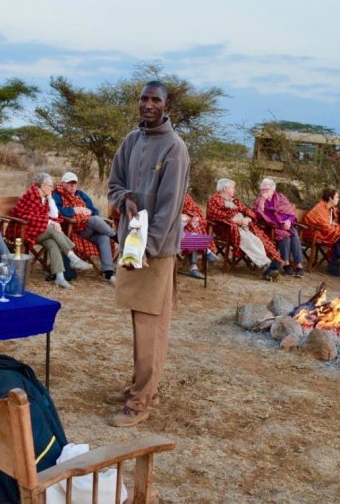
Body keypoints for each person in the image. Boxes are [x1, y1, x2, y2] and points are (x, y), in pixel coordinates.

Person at [106, 81, 190, 427]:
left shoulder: (175, 148)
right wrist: (124, 197)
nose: (148, 104)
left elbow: (169, 208)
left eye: (156, 99)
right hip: (130, 248)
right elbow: (113, 186)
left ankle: (140, 402)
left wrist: (148, 248)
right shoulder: (131, 141)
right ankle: (138, 387)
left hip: (154, 253)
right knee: (137, 321)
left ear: (166, 105)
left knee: (151, 326)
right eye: (144, 98)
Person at [8, 173, 93, 289]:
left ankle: (60, 278)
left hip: (39, 230)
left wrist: (49, 198)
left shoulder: (45, 197)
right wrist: (50, 222)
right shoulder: (31, 195)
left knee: (53, 244)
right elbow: (27, 216)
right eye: (50, 186)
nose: (52, 188)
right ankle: (73, 257)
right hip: (25, 231)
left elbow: (54, 214)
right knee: (53, 228)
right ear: (43, 186)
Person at [207, 178, 282, 280]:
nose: (234, 190)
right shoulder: (214, 200)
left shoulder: (234, 200)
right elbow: (215, 215)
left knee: (257, 240)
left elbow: (247, 210)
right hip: (227, 228)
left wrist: (247, 219)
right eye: (232, 188)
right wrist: (237, 220)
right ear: (225, 188)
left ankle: (268, 267)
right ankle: (268, 265)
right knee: (247, 241)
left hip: (243, 226)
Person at [52, 172, 118, 285]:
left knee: (104, 237)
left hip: (87, 229)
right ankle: (117, 238)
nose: (72, 186)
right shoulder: (57, 195)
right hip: (72, 230)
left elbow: (95, 210)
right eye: (69, 183)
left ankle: (109, 273)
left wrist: (89, 211)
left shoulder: (80, 194)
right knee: (94, 220)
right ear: (63, 183)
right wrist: (74, 210)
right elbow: (56, 212)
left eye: (74, 183)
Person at [251, 178, 304, 277]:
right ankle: (286, 263)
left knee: (294, 234)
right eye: (262, 190)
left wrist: (289, 221)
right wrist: (262, 199)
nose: (264, 192)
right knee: (285, 236)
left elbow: (291, 214)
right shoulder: (259, 200)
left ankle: (299, 265)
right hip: (270, 228)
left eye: (266, 190)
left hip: (285, 224)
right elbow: (256, 214)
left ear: (273, 190)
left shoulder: (281, 198)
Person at [303, 188, 340, 277]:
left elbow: (330, 224)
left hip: (321, 231)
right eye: (337, 197)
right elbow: (325, 226)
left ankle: (336, 264)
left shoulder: (331, 209)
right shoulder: (321, 207)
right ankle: (337, 262)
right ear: (330, 198)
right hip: (312, 232)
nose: (338, 199)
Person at [180, 193, 218, 279]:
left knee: (195, 227)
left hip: (188, 227)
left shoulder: (185, 195)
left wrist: (192, 216)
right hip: (175, 228)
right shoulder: (171, 194)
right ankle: (206, 251)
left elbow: (195, 209)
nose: (234, 190)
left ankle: (194, 267)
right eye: (232, 188)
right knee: (193, 229)